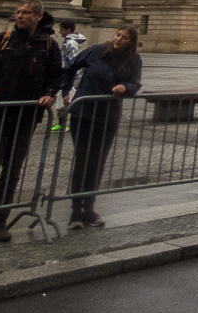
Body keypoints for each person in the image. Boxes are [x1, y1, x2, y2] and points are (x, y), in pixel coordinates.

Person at [60, 25, 143, 229]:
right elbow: (71, 64)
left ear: (131, 42)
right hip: (83, 113)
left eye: (124, 38)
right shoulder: (97, 50)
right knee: (82, 160)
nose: (118, 39)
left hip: (107, 116)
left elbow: (135, 84)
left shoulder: (134, 60)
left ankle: (89, 207)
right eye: (117, 35)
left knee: (97, 163)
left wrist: (125, 88)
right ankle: (75, 210)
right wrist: (66, 91)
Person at [0, 0, 62, 242]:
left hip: (26, 117)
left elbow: (56, 76)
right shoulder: (2, 39)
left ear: (39, 16)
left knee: (11, 170)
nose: (20, 16)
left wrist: (50, 94)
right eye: (18, 12)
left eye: (25, 13)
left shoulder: (48, 45)